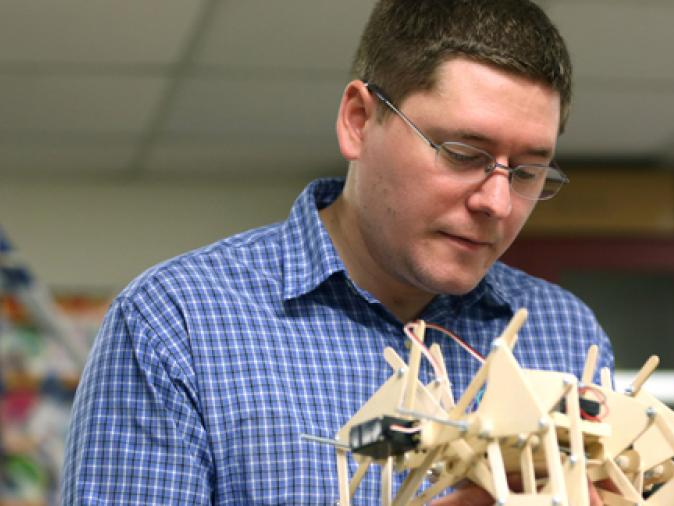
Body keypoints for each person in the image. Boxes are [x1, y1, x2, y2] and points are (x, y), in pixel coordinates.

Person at [61, 0, 614, 503]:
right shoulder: (175, 325)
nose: (497, 202)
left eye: (528, 171)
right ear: (358, 122)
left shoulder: (566, 334)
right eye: (463, 153)